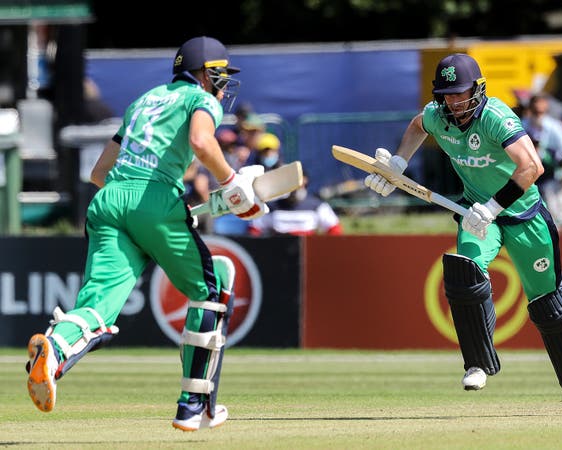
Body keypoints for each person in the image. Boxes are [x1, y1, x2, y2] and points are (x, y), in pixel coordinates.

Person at [25, 36, 269, 431]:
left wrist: (158, 208)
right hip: (152, 200)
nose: (223, 85)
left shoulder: (145, 100)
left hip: (109, 202)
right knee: (213, 286)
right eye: (220, 75)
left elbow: (99, 173)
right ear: (204, 74)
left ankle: (52, 350)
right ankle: (194, 405)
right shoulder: (200, 99)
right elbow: (201, 142)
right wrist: (231, 184)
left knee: (98, 309)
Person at [364, 53, 562, 413]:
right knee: (464, 273)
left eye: (461, 93)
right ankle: (477, 363)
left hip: (522, 214)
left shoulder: (494, 118)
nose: (454, 101)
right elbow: (416, 126)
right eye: (448, 94)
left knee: (547, 302)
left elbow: (532, 166)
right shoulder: (437, 116)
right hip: (474, 214)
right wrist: (398, 163)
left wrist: (492, 208)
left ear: (478, 89)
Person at [249, 172, 343, 236]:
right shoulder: (271, 207)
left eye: (298, 184)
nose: (294, 189)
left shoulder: (317, 206)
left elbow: (334, 228)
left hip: (308, 251)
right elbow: (255, 229)